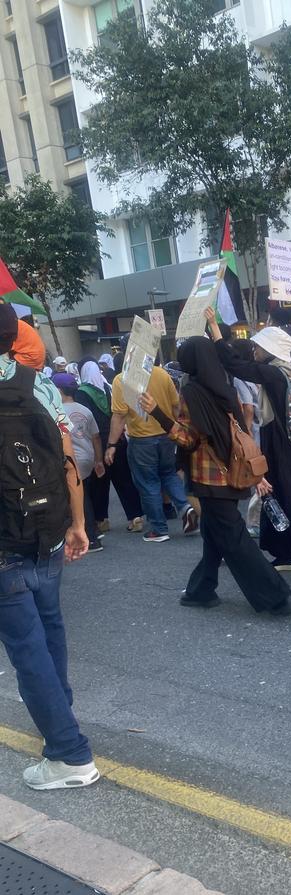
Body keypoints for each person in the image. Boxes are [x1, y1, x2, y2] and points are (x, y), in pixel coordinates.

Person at [0, 304, 97, 790]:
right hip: (50, 529)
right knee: (50, 625)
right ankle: (61, 713)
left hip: (3, 544)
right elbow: (65, 461)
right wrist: (79, 523)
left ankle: (68, 753)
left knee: (26, 647)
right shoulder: (39, 383)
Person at [138, 335, 291, 616]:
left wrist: (158, 414)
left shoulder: (191, 392)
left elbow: (188, 439)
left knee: (234, 539)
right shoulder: (224, 388)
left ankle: (277, 596)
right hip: (232, 472)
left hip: (210, 478)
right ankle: (202, 588)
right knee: (214, 533)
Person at [210, 312, 291, 581]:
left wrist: (215, 330)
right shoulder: (282, 372)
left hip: (282, 445)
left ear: (269, 350)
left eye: (258, 346)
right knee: (278, 496)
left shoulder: (274, 373)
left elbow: (236, 366)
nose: (254, 350)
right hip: (281, 443)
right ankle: (286, 553)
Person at [106, 360, 199, 542]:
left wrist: (111, 445)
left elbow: (119, 415)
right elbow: (175, 405)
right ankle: (186, 507)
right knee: (169, 475)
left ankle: (158, 528)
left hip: (141, 439)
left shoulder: (121, 379)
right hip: (167, 435)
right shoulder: (161, 374)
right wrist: (177, 428)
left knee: (148, 483)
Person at [76, 359, 143, 534]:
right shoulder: (108, 388)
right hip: (116, 440)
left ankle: (101, 520)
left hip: (97, 441)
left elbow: (84, 421)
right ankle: (135, 517)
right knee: (124, 480)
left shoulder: (82, 393)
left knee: (100, 483)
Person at [53, 372, 106, 553]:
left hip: (71, 461)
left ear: (59, 391)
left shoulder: (56, 411)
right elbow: (96, 437)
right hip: (88, 458)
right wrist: (98, 460)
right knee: (88, 494)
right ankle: (95, 529)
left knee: (80, 499)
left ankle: (90, 537)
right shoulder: (85, 410)